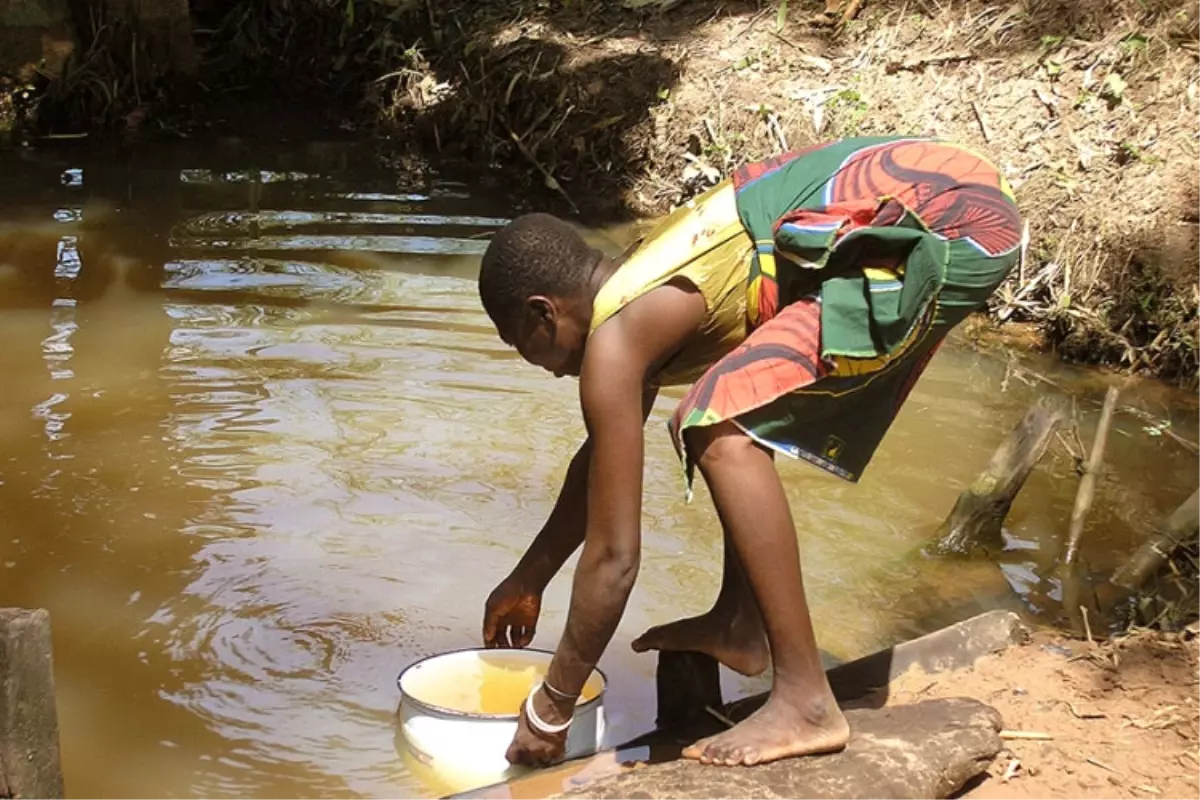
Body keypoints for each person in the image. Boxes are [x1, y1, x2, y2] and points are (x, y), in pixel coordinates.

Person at [476, 136, 1023, 769]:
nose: (541, 370)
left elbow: (615, 557)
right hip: (953, 196)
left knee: (716, 422)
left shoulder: (616, 341)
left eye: (522, 346)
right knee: (728, 407)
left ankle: (805, 701)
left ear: (543, 314)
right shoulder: (635, 291)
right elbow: (601, 462)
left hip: (950, 222)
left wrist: (550, 707)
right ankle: (740, 626)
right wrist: (530, 576)